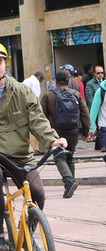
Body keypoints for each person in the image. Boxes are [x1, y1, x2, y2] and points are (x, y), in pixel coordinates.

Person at [0, 42, 66, 251]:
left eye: (0, 62)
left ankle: (28, 233)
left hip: (20, 155)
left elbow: (38, 120)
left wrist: (53, 140)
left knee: (38, 193)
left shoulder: (22, 91)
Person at [40, 70, 89, 198]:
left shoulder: (48, 95)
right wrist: (85, 131)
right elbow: (85, 114)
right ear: (68, 81)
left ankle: (69, 181)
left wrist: (44, 134)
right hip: (73, 131)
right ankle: (70, 183)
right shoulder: (76, 94)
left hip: (56, 132)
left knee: (59, 157)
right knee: (70, 157)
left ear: (56, 81)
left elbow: (41, 116)